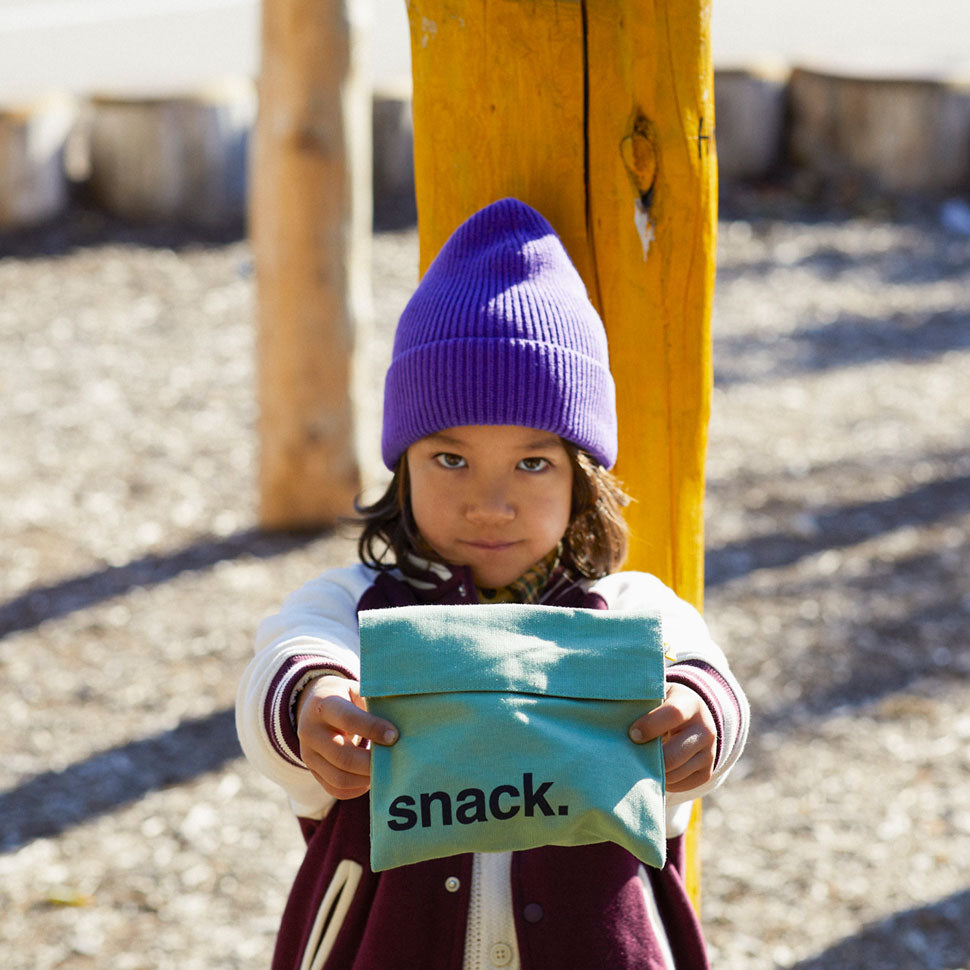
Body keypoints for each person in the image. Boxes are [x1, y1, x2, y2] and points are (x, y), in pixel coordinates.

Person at [236, 197, 749, 970]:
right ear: (402, 464)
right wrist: (311, 704)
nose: (490, 501)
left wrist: (701, 720)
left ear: (583, 478)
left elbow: (707, 679)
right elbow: (287, 657)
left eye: (533, 464)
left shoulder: (626, 616)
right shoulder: (359, 609)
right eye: (451, 459)